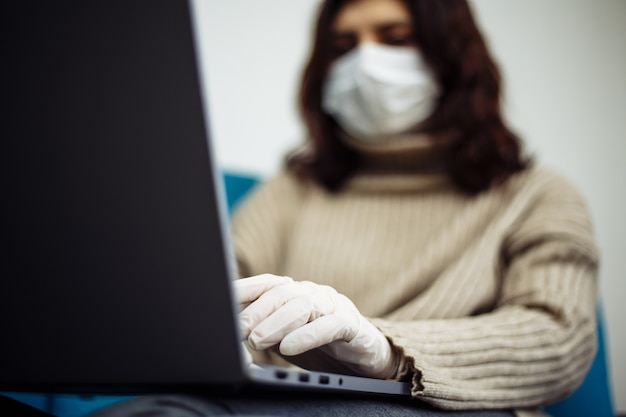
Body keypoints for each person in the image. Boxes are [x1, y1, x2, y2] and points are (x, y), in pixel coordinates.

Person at [91, 0, 598, 416]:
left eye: (395, 38)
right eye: (343, 46)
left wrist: (385, 349)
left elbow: (560, 340)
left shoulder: (538, 194)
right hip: (270, 402)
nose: (366, 63)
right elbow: (205, 308)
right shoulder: (290, 193)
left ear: (454, 58)